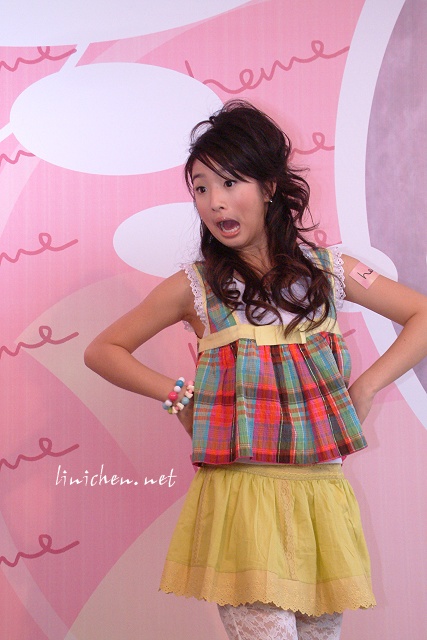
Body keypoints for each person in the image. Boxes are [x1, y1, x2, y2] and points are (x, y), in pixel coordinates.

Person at [84, 100, 427, 640]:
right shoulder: (195, 287)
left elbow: (421, 315)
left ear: (269, 187)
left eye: (229, 182)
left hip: (321, 496)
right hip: (241, 500)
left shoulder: (331, 271)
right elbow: (103, 350)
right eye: (200, 188)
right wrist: (179, 396)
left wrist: (365, 388)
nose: (214, 201)